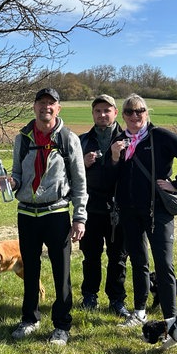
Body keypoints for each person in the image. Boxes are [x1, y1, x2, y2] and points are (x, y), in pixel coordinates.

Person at [107, 94, 177, 327]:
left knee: (164, 264)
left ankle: (171, 320)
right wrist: (113, 157)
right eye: (129, 112)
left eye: (139, 111)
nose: (134, 116)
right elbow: (110, 179)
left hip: (157, 212)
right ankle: (140, 312)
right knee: (139, 263)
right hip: (129, 213)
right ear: (123, 116)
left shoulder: (159, 136)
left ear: (146, 112)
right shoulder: (119, 141)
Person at [2, 88, 88, 346]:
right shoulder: (23, 138)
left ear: (58, 108)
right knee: (30, 269)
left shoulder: (68, 139)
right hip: (27, 213)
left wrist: (79, 217)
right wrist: (10, 181)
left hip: (57, 213)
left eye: (51, 103)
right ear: (34, 106)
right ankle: (30, 319)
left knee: (61, 272)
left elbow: (79, 181)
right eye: (41, 103)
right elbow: (17, 174)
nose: (46, 108)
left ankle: (62, 326)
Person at [78, 94, 130, 318]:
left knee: (118, 257)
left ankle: (117, 300)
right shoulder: (81, 140)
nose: (102, 114)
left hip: (120, 209)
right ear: (93, 114)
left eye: (107, 110)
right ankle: (89, 296)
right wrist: (82, 162)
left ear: (115, 113)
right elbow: (71, 175)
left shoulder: (128, 139)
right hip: (91, 208)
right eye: (97, 111)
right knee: (91, 256)